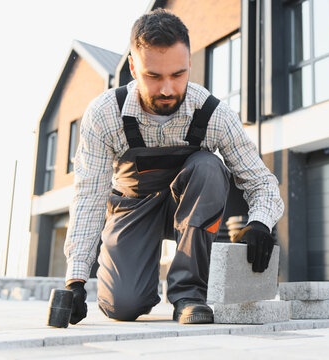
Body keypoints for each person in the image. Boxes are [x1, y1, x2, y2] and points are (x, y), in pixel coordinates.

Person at [63, 9, 284, 325]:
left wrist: (261, 222)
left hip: (192, 209)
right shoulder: (104, 115)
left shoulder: (213, 114)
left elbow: (261, 181)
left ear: (190, 64)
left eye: (177, 74)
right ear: (133, 68)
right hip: (133, 208)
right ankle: (133, 289)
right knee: (122, 306)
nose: (167, 89)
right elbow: (89, 197)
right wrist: (75, 280)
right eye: (154, 76)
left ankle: (189, 295)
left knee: (209, 167)